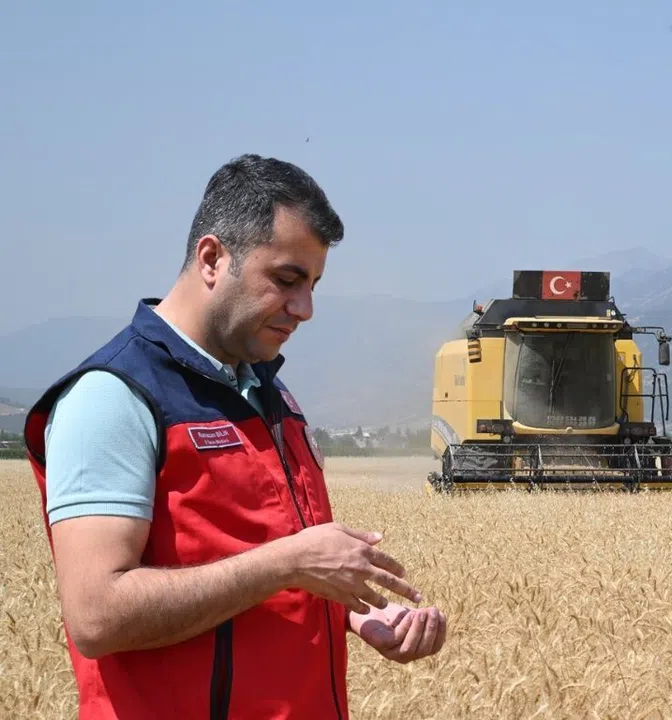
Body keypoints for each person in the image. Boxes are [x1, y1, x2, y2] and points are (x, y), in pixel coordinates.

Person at [23, 154, 446, 719]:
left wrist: (353, 613)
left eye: (314, 284)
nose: (306, 309)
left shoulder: (272, 397)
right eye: (287, 280)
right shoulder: (113, 397)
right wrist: (289, 563)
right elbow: (97, 615)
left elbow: (255, 566)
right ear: (212, 258)